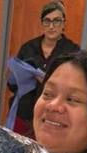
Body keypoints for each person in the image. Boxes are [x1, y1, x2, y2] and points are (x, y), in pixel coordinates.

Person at [7, 1, 80, 138]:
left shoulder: (73, 51)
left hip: (52, 117)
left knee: (45, 150)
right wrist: (16, 76)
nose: (51, 26)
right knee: (17, 150)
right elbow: (12, 86)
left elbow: (74, 87)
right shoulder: (28, 48)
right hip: (24, 114)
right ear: (42, 23)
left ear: (63, 23)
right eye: (47, 21)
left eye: (56, 21)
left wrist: (46, 80)